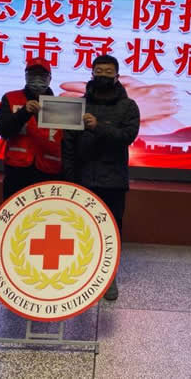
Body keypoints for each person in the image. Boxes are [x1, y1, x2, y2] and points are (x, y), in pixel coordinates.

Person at [62, 54, 140, 301]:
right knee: (79, 229)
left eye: (108, 71)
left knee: (111, 230)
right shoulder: (78, 105)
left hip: (113, 181)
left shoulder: (128, 106)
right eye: (99, 71)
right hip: (83, 179)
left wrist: (98, 127)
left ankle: (108, 277)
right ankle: (80, 275)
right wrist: (69, 180)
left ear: (117, 76)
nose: (103, 75)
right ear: (92, 73)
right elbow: (68, 145)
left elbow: (127, 136)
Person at [0, 57, 62, 200]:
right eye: (32, 74)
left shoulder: (60, 105)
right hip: (17, 170)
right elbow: (3, 129)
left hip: (50, 170)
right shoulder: (11, 98)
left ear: (50, 78)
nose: (37, 79)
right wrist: (23, 112)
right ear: (26, 76)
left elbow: (68, 140)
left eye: (42, 75)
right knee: (15, 212)